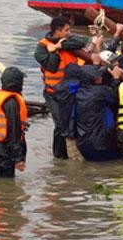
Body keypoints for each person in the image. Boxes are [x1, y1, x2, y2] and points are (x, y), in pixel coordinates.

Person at [34, 15, 86, 159]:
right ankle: (59, 157)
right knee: (60, 124)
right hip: (53, 93)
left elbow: (82, 41)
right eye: (67, 30)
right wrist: (55, 50)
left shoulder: (69, 41)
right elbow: (51, 66)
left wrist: (60, 45)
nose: (69, 33)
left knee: (71, 123)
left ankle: (68, 155)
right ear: (58, 31)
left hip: (70, 93)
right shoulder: (42, 47)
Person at [74, 64, 123, 161]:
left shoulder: (78, 92)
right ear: (92, 79)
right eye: (98, 76)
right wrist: (116, 79)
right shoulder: (100, 92)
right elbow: (115, 98)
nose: (100, 77)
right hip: (102, 143)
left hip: (83, 144)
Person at [0, 67, 27, 178]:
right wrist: (18, 159)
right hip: (6, 153)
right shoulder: (11, 103)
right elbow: (14, 132)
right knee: (7, 190)